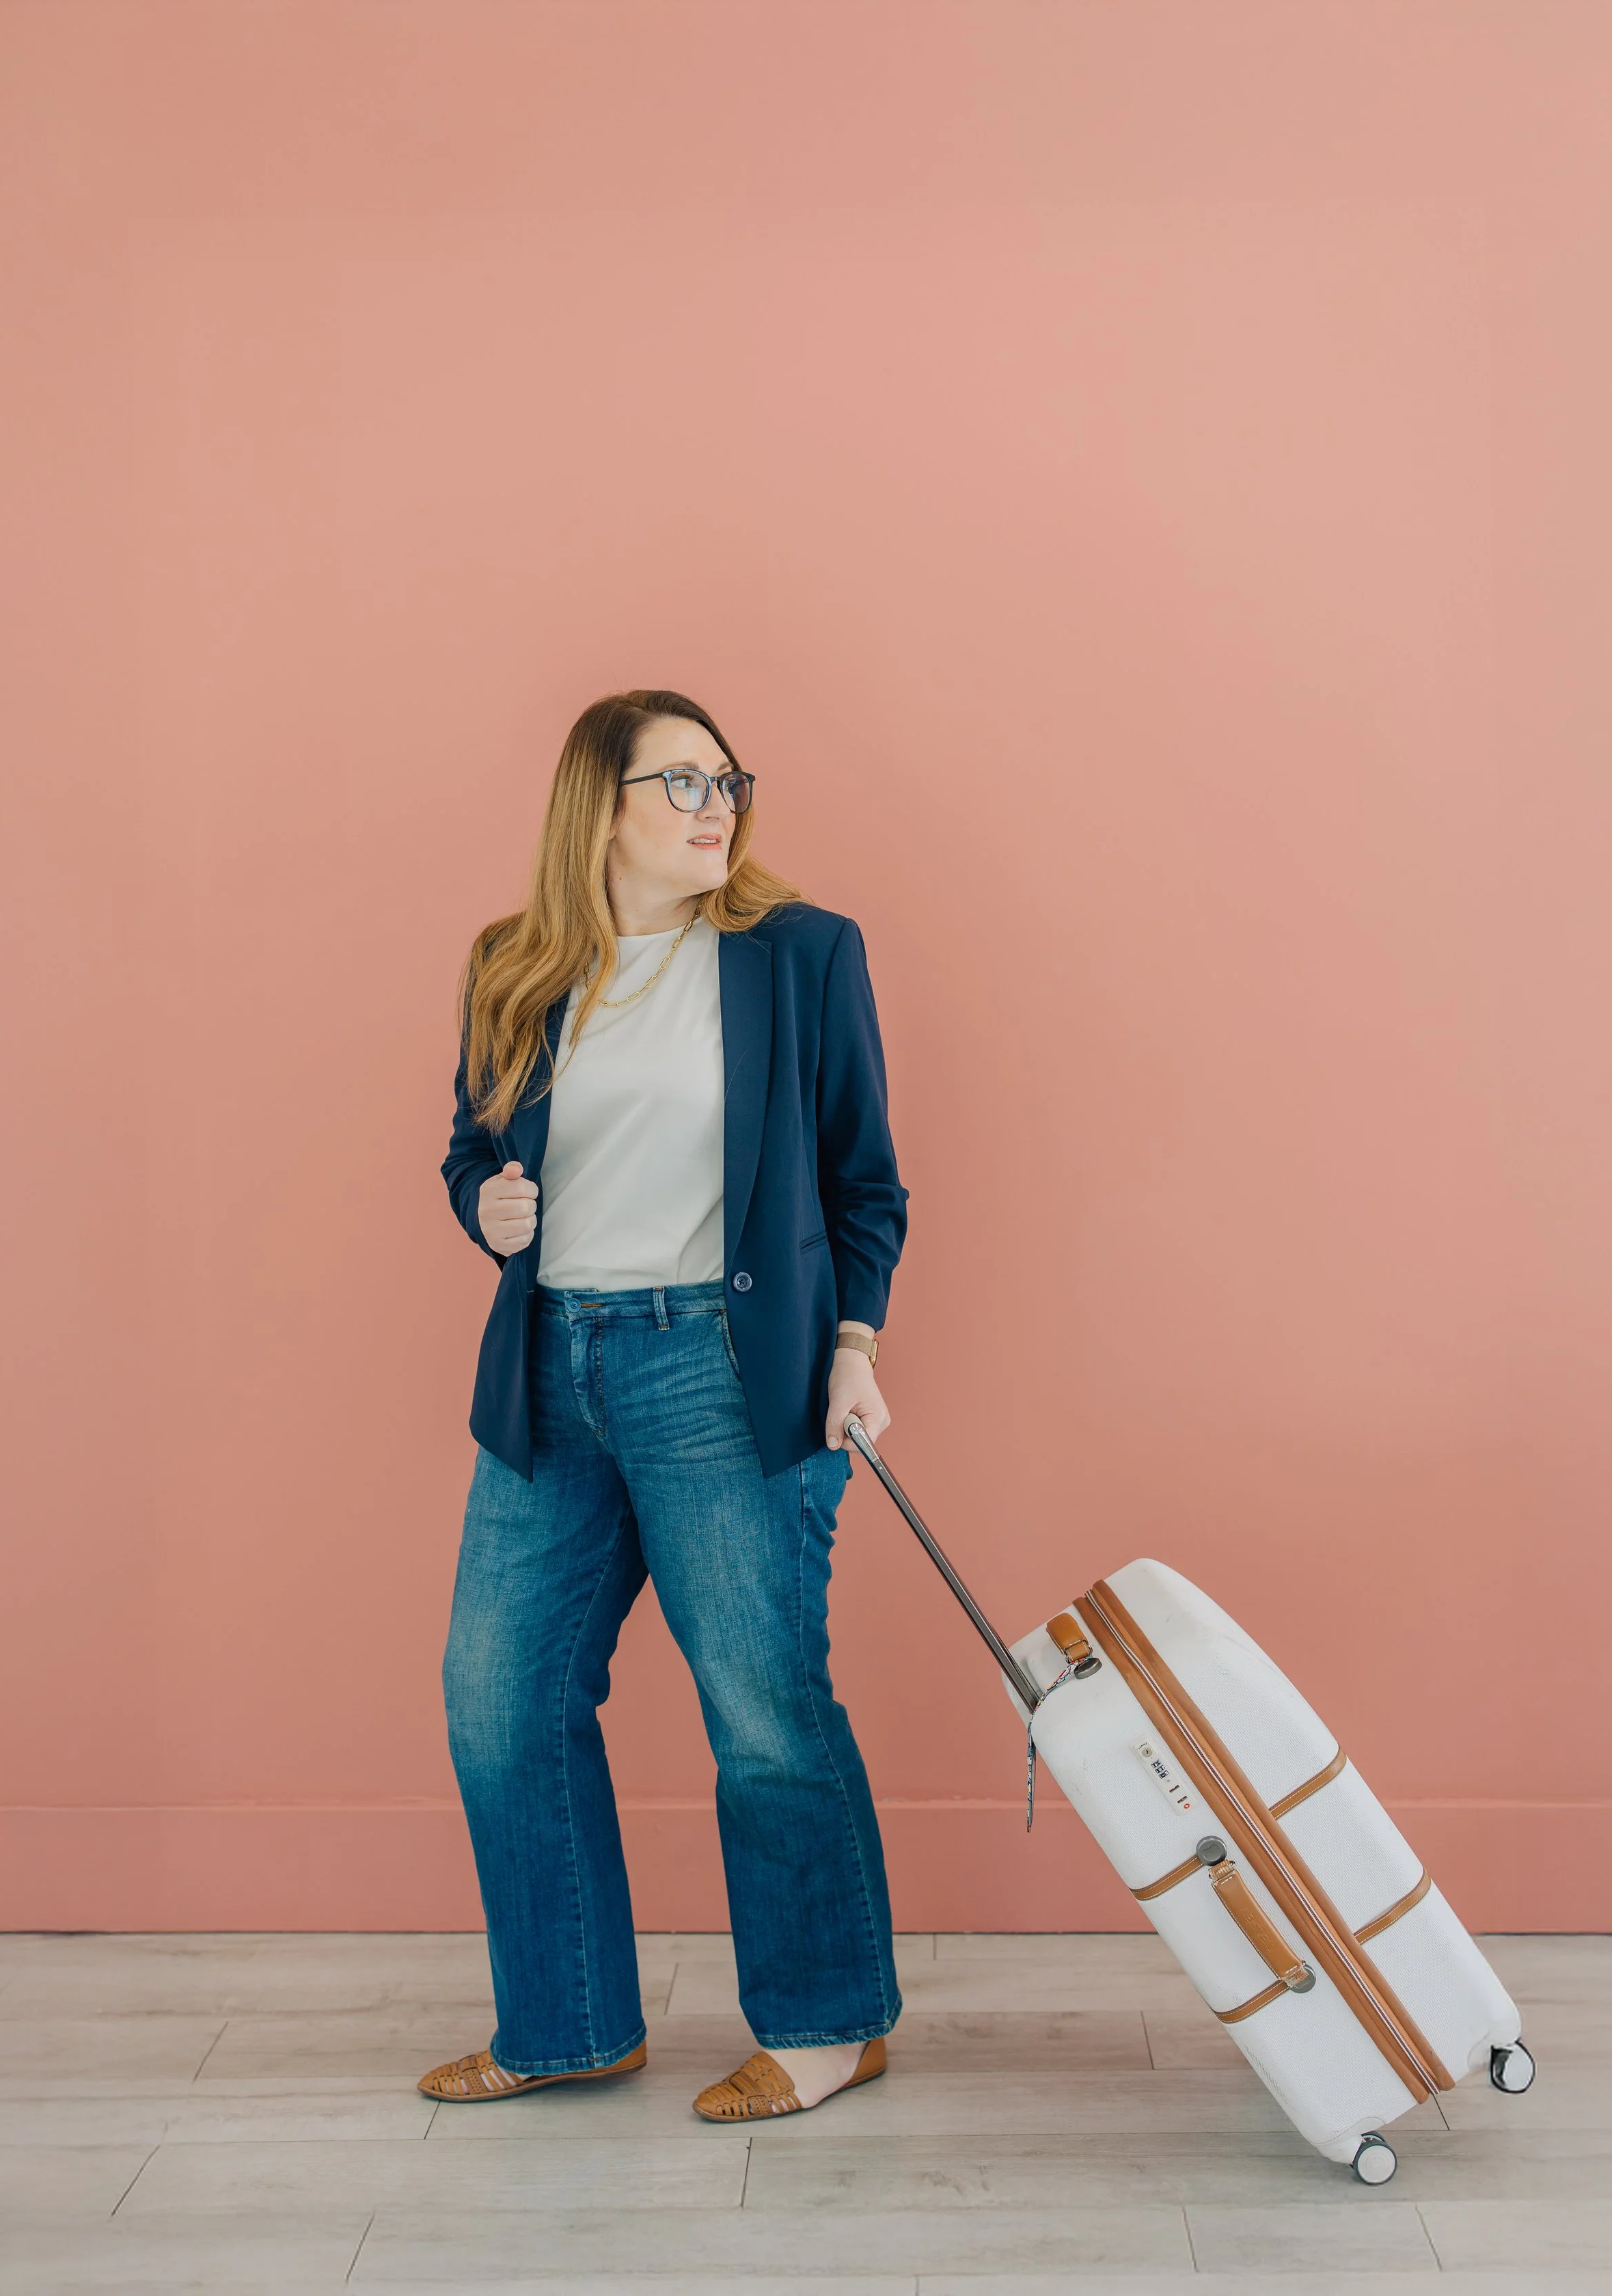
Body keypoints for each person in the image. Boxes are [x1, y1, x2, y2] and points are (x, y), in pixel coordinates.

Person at [420, 689, 908, 2122]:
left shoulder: (798, 956)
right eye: (681, 780)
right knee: (498, 1700)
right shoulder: (512, 964)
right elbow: (469, 1147)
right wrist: (485, 1203)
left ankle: (827, 2023)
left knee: (760, 1706)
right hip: (548, 1370)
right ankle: (565, 2023)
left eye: (727, 780)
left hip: (719, 1371)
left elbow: (861, 1182)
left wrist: (856, 1348)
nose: (717, 806)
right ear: (600, 803)